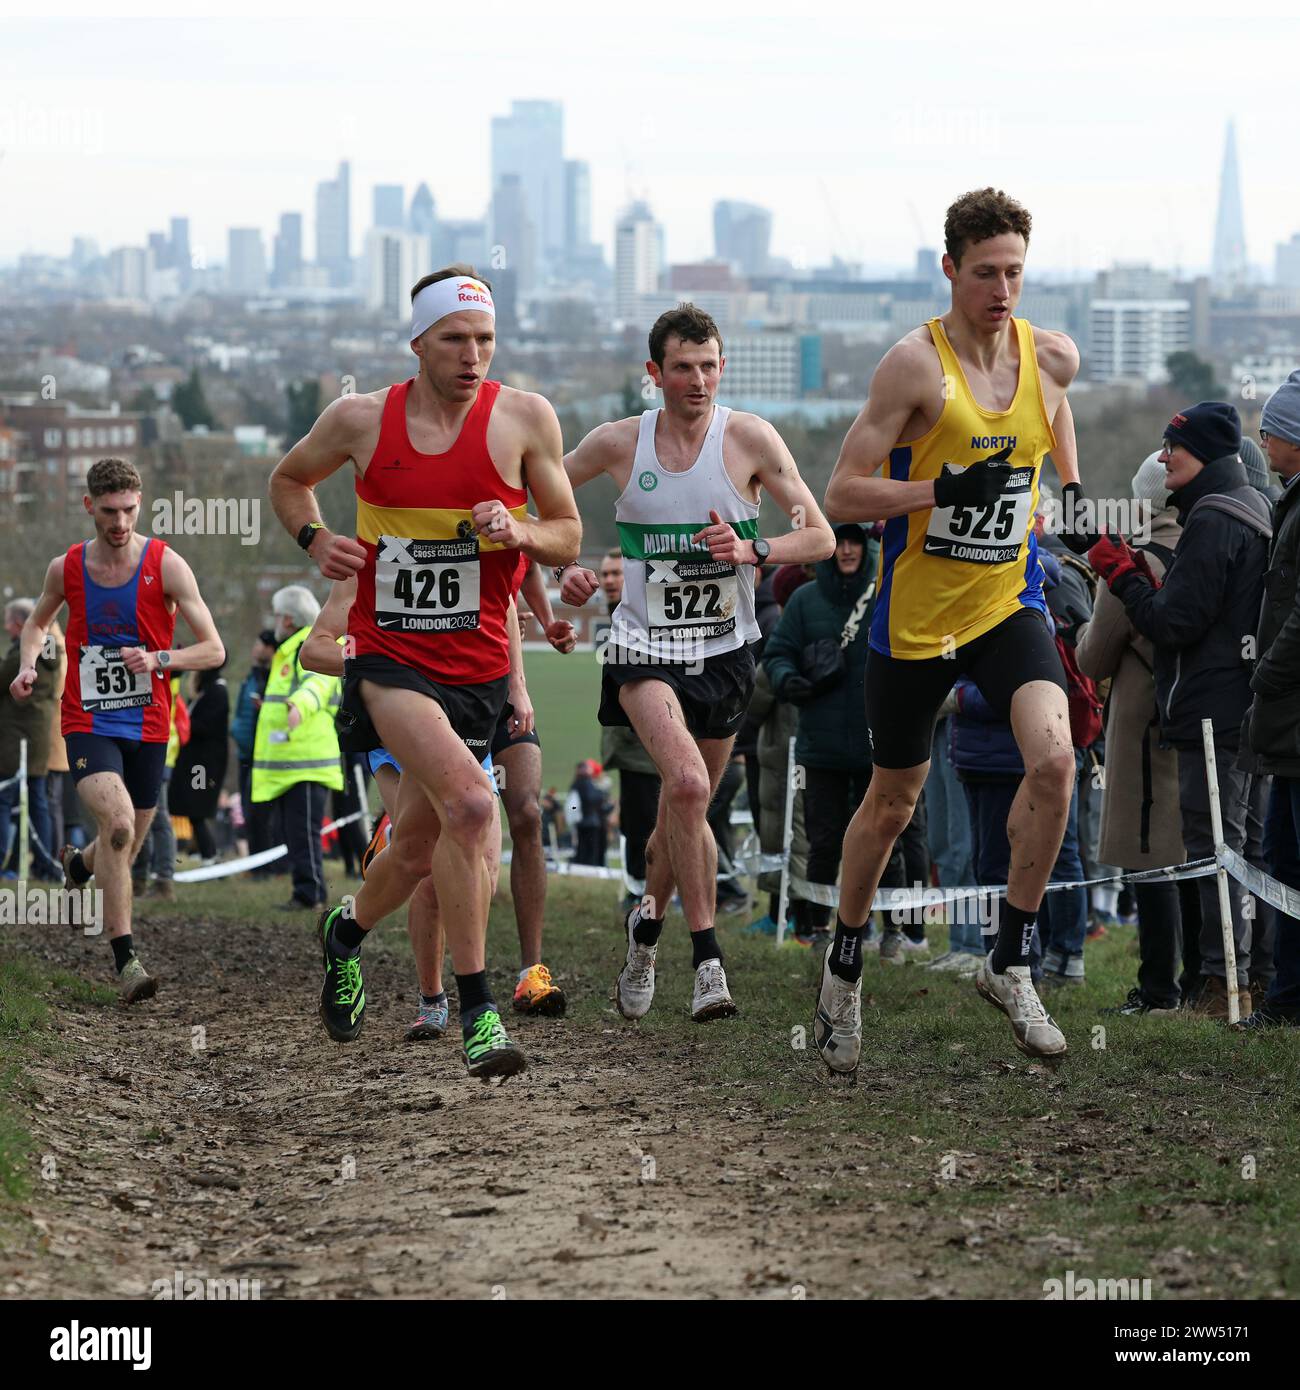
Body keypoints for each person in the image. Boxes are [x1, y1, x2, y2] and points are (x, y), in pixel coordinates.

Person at [269, 263, 580, 1079]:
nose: (472, 355)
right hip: (389, 658)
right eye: (454, 339)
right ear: (417, 343)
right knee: (475, 806)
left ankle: (344, 935)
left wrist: (517, 529)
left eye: (484, 340)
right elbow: (288, 480)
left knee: (413, 850)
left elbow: (569, 534)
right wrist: (315, 540)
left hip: (476, 664)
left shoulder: (525, 419)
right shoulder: (362, 420)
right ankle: (477, 1012)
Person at [817, 188, 1082, 1072]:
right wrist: (940, 490)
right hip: (917, 620)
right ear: (949, 271)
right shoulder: (911, 368)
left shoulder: (1051, 357)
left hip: (1008, 602)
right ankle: (846, 959)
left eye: (1013, 272)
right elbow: (842, 496)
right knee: (891, 804)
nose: (1001, 289)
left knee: (1055, 761)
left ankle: (1010, 959)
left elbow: (1054, 417)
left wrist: (1072, 491)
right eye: (983, 274)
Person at [560, 303, 835, 1023]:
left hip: (725, 654)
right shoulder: (619, 443)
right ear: (654, 374)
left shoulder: (748, 438)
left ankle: (645, 930)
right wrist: (568, 569)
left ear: (723, 368)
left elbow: (822, 537)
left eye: (710, 365)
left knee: (688, 811)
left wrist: (754, 549)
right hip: (642, 649)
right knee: (683, 785)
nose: (698, 380)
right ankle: (708, 960)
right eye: (683, 367)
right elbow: (538, 499)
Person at [9, 457, 224, 1001]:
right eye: (109, 511)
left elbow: (214, 649)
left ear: (140, 502)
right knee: (121, 826)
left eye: (129, 509)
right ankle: (127, 961)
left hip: (149, 724)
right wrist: (29, 663)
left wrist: (159, 659)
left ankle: (79, 865)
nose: (120, 521)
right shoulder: (68, 567)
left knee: (118, 849)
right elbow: (37, 622)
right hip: (88, 720)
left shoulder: (167, 565)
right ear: (90, 507)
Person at [1089, 403, 1271, 1019]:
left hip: (1214, 710)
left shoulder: (1215, 520)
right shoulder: (1245, 506)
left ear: (1209, 454)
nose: (1164, 456)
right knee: (1236, 845)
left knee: (1215, 847)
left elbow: (1176, 622)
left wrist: (1122, 575)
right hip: (1236, 705)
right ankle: (1244, 980)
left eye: (1175, 447)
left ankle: (1223, 987)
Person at [1078, 454, 1188, 1014]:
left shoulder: (1134, 560)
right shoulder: (1202, 550)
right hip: (1195, 714)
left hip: (1143, 714)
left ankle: (1157, 989)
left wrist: (1078, 634)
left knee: (1149, 853)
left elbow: (1095, 658)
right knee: (1192, 852)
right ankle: (1199, 980)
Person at [762, 524, 882, 945]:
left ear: (865, 546)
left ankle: (870, 928)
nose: (847, 550)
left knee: (878, 841)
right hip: (820, 745)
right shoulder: (803, 600)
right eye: (839, 542)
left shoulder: (884, 594)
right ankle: (813, 926)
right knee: (823, 839)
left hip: (877, 746)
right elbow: (777, 653)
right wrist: (787, 679)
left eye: (854, 542)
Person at [1238, 369, 1300, 1028]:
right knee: (1282, 860)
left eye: (1273, 430)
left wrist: (1267, 674)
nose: (1264, 438)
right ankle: (1285, 1001)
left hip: (1289, 706)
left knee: (1293, 859)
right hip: (1286, 723)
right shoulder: (1289, 499)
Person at [251, 586, 342, 909]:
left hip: (308, 760)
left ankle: (311, 895)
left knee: (303, 834)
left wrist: (299, 705)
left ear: (288, 619)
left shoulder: (308, 645)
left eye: (277, 614)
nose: (275, 621)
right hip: (294, 760)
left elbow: (320, 682)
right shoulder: (290, 649)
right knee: (296, 834)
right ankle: (305, 892)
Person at [596, 548, 662, 915]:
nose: (608, 581)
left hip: (647, 744)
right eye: (604, 575)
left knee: (649, 825)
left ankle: (648, 898)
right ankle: (638, 894)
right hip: (627, 743)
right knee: (635, 824)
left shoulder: (647, 614)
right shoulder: (614, 618)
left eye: (616, 574)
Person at [1, 598, 65, 879]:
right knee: (38, 798)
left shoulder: (24, 653)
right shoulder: (53, 650)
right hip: (39, 735)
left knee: (4, 797)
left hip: (16, 735)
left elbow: (3, 679)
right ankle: (46, 865)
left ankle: (4, 861)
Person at [170, 663, 229, 865]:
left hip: (204, 765)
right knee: (191, 808)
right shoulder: (204, 692)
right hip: (195, 762)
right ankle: (198, 850)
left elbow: (206, 726)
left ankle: (209, 854)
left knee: (197, 809)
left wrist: (182, 723)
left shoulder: (218, 692)